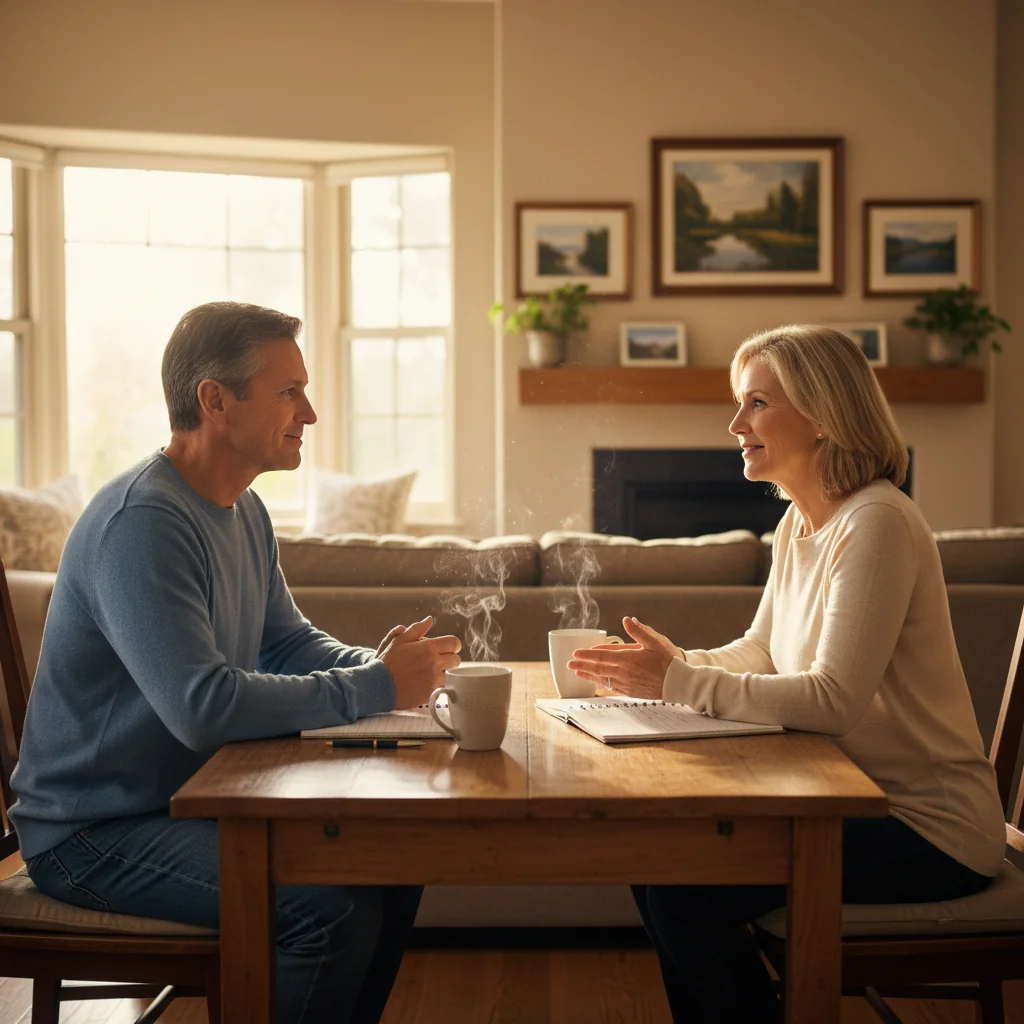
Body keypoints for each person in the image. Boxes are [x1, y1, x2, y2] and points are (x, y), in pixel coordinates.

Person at [10, 301, 462, 1024]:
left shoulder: (243, 509)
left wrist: (382, 666)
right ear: (215, 401)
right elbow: (203, 707)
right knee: (330, 910)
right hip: (93, 832)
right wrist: (374, 684)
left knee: (390, 860)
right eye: (289, 391)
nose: (309, 413)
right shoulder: (143, 523)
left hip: (186, 803)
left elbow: (286, 640)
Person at [568, 325, 1005, 1024]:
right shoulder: (798, 527)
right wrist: (669, 666)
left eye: (758, 403)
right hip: (841, 801)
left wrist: (676, 683)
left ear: (824, 414)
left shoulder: (876, 523)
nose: (736, 425)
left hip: (926, 826)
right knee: (657, 862)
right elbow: (763, 651)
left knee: (682, 894)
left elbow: (832, 701)